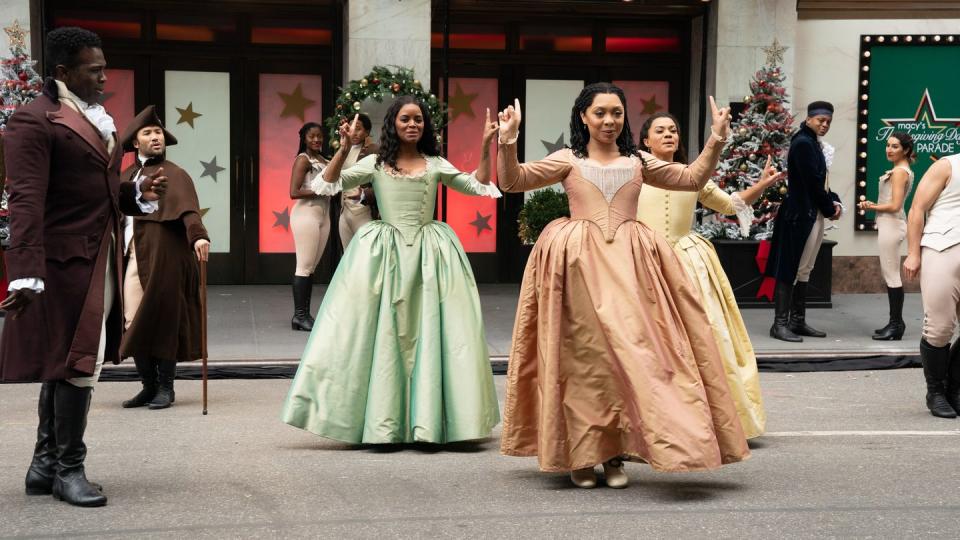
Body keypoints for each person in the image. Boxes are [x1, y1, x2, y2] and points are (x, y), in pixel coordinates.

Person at [497, 83, 750, 490]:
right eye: (600, 113)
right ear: (583, 116)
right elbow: (512, 182)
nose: (609, 121)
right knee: (583, 363)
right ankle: (582, 456)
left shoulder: (638, 161)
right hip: (579, 270)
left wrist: (717, 137)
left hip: (632, 272)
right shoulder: (567, 160)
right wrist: (508, 143)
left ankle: (616, 455)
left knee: (633, 357)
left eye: (616, 113)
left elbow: (690, 178)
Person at [0, 27, 166, 507]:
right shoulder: (34, 120)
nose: (103, 75)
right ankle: (69, 469)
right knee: (77, 363)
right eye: (93, 69)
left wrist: (134, 195)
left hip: (100, 257)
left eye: (102, 66)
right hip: (65, 264)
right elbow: (25, 198)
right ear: (63, 72)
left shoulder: (93, 117)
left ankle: (44, 465)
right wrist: (25, 269)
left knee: (67, 364)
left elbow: (96, 192)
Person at [280, 98, 502, 444]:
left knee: (429, 333)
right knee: (380, 332)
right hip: (384, 253)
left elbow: (477, 185)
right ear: (393, 125)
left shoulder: (435, 163)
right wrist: (343, 148)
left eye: (418, 119)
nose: (412, 124)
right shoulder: (375, 163)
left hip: (430, 255)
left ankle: (427, 420)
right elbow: (329, 183)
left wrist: (488, 146)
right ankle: (382, 420)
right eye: (405, 119)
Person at [636, 111, 782, 439]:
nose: (668, 134)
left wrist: (761, 184)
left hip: (690, 264)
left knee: (706, 338)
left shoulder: (694, 175)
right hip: (645, 261)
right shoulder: (634, 173)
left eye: (673, 129)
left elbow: (731, 206)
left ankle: (713, 417)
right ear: (646, 141)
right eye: (659, 131)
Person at [118, 105, 210, 410]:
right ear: (135, 142)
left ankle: (165, 388)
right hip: (131, 256)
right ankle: (148, 385)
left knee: (166, 318)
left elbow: (188, 210)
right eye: (148, 133)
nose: (155, 137)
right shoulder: (128, 175)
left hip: (165, 255)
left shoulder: (174, 173)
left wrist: (198, 235)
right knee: (133, 318)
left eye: (158, 132)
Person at [765, 101, 843, 342]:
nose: (825, 124)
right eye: (821, 120)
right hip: (799, 216)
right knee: (791, 268)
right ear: (809, 118)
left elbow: (821, 182)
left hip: (811, 214)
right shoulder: (803, 143)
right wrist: (830, 208)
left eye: (828, 121)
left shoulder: (812, 144)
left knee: (805, 268)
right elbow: (811, 183)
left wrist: (834, 202)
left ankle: (797, 321)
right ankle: (779, 324)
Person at [903, 153, 960, 418]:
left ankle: (955, 389)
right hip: (943, 249)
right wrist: (914, 253)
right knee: (939, 327)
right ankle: (935, 391)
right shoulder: (946, 165)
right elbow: (916, 208)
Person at [858, 132, 915, 341]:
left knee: (892, 275)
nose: (889, 149)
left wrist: (870, 205)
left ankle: (896, 324)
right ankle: (895, 323)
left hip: (892, 224)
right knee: (889, 274)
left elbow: (895, 206)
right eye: (888, 145)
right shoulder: (899, 170)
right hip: (889, 225)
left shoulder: (900, 172)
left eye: (895, 146)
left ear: (906, 150)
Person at [289, 122, 330, 331]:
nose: (316, 140)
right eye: (312, 136)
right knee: (303, 266)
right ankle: (300, 315)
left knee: (311, 267)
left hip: (324, 214)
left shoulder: (325, 160)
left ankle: (306, 314)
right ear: (304, 138)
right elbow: (294, 192)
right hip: (306, 214)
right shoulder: (303, 159)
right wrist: (320, 190)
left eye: (319, 136)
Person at [339, 112, 379, 249]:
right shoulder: (343, 148)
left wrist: (367, 193)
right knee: (347, 256)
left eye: (358, 128)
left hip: (363, 209)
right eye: (351, 127)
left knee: (366, 253)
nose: (354, 132)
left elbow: (381, 180)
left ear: (367, 132)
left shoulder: (373, 150)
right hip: (344, 210)